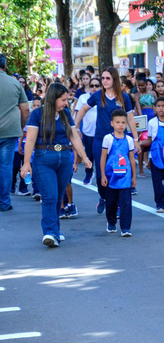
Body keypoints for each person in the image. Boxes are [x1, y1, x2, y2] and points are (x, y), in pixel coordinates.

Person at [19, 83, 92, 246]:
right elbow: (30, 139)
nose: (66, 103)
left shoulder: (66, 114)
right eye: (63, 100)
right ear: (53, 98)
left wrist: (85, 157)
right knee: (50, 196)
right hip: (44, 159)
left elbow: (74, 137)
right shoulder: (37, 114)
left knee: (58, 197)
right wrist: (26, 164)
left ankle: (56, 230)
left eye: (67, 100)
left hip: (65, 158)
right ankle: (50, 233)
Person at [74, 67, 140, 214]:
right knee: (100, 174)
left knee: (118, 171)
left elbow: (130, 117)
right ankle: (104, 197)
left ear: (114, 79)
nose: (104, 81)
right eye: (102, 78)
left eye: (107, 78)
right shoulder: (97, 95)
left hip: (120, 140)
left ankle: (115, 204)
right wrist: (76, 126)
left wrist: (135, 139)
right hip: (100, 139)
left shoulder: (124, 97)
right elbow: (83, 109)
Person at [0, 53, 30, 211]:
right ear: (5, 66)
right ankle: (4, 202)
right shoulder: (15, 84)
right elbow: (25, 109)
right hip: (10, 130)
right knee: (5, 167)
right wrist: (22, 127)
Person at [100, 109, 136, 236]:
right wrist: (103, 175)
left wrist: (134, 177)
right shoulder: (108, 138)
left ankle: (126, 227)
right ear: (112, 123)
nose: (120, 125)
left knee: (126, 202)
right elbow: (103, 157)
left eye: (123, 122)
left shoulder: (129, 140)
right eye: (118, 122)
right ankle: (111, 222)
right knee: (111, 201)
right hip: (111, 176)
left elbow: (132, 159)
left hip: (125, 176)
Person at [73, 76, 100, 187]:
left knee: (100, 156)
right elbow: (78, 112)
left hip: (101, 132)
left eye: (97, 86)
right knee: (88, 155)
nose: (94, 88)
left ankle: (101, 176)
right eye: (92, 86)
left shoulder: (104, 98)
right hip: (88, 132)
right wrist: (77, 128)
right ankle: (88, 174)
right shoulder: (83, 97)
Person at [147, 97, 164, 213]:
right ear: (155, 108)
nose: (161, 108)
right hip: (155, 155)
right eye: (158, 106)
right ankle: (159, 203)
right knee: (156, 181)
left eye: (163, 106)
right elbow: (149, 140)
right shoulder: (152, 122)